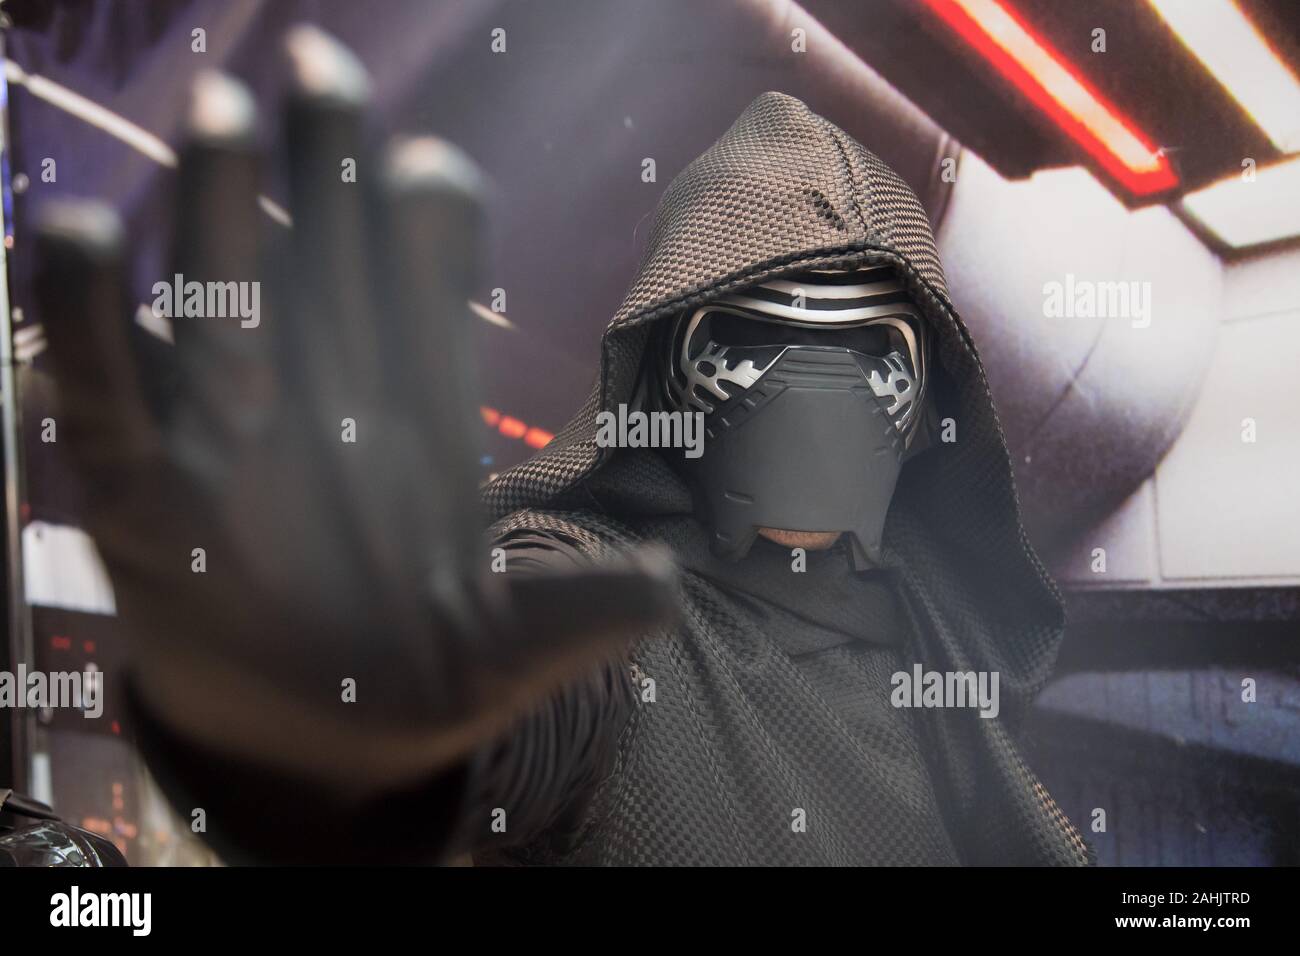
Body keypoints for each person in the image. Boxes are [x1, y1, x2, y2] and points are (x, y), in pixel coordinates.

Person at [36, 27, 1088, 865]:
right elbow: (505, 716)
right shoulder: (604, 621)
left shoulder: (935, 653)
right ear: (673, 368)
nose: (813, 388)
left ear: (925, 399)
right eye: (751, 345)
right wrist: (321, 734)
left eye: (870, 353)